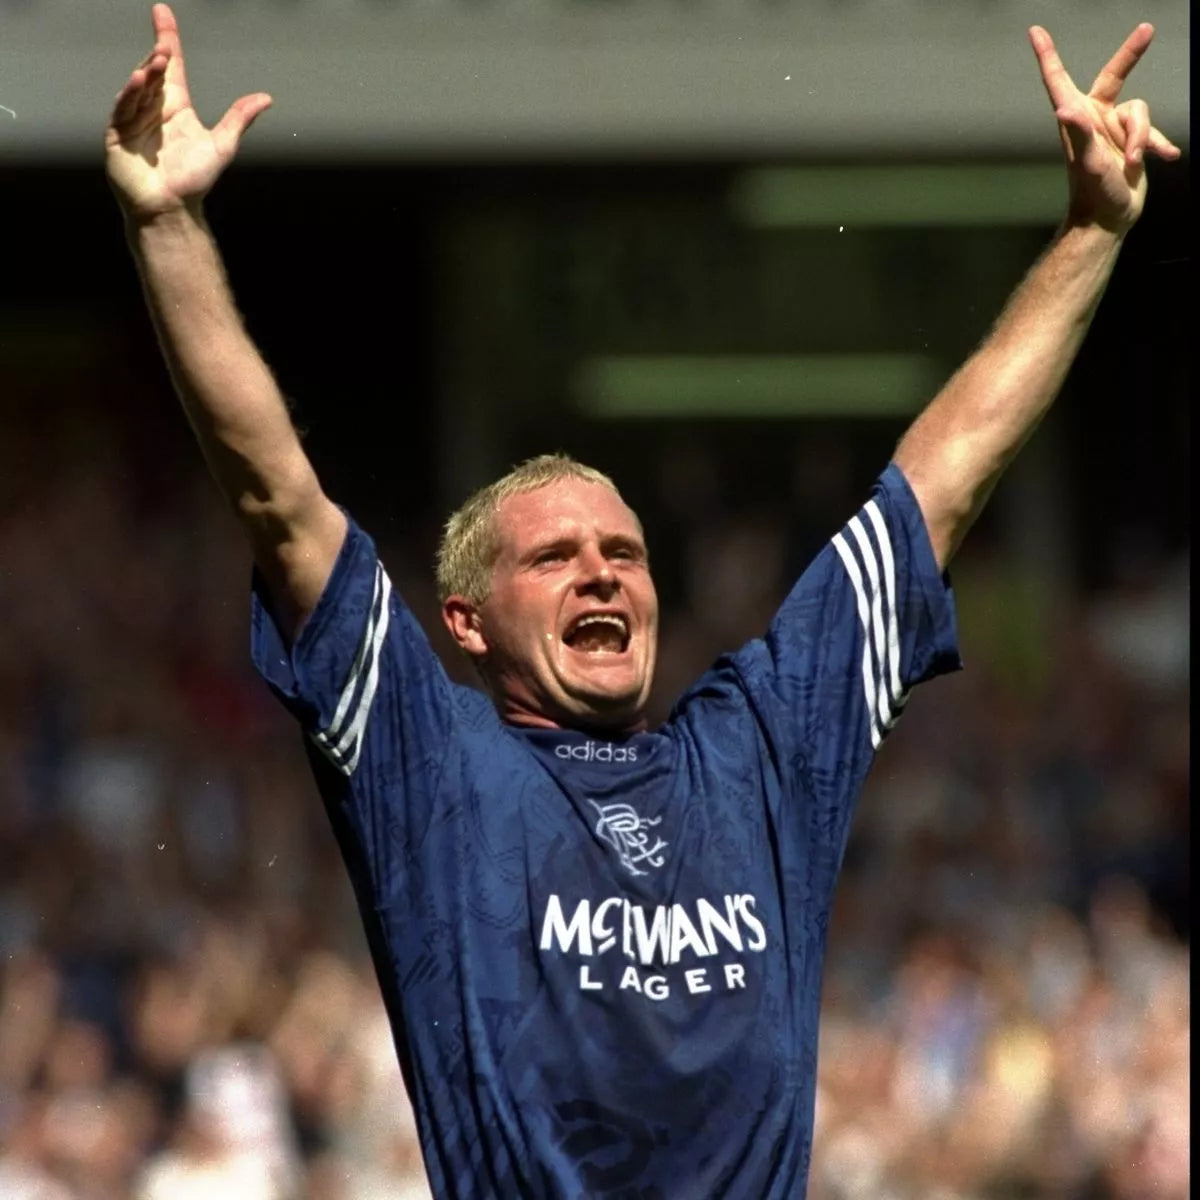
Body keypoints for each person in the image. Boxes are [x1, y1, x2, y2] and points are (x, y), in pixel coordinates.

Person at [105, 6, 1180, 1196]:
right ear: (464, 622)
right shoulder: (429, 765)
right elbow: (277, 495)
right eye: (554, 556)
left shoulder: (760, 755)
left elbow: (945, 478)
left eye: (623, 550)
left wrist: (1093, 229)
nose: (603, 570)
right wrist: (167, 227)